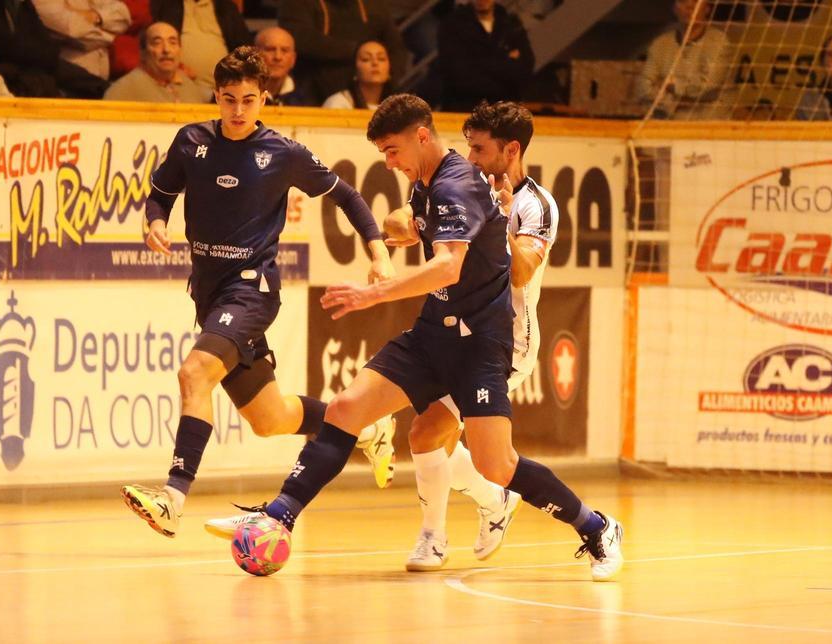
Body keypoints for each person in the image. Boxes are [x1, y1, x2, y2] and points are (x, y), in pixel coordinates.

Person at [212, 94, 625, 582]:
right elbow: (409, 225)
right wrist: (404, 226)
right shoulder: (429, 184)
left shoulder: (457, 184)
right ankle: (279, 515)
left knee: (498, 464)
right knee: (346, 409)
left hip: (480, 344)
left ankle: (597, 527)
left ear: (421, 137)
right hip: (434, 334)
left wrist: (373, 294)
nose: (389, 162)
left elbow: (449, 267)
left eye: (392, 150)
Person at [120, 46, 397, 539]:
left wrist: (378, 253)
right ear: (216, 96)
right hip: (209, 295)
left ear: (264, 99)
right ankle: (367, 429)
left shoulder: (283, 153)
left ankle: (172, 499)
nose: (238, 110)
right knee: (270, 418)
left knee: (194, 373)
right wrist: (155, 222)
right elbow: (160, 195)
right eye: (229, 99)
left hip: (252, 291)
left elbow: (348, 196)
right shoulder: (191, 141)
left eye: (249, 100)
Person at [374, 100, 560, 571]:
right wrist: (408, 223)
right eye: (468, 147)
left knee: (434, 434)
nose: (470, 157)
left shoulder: (535, 204)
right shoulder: (459, 183)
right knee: (426, 435)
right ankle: (488, 505)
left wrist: (496, 218)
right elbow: (403, 223)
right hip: (458, 331)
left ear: (511, 150)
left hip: (505, 339)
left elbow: (522, 272)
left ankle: (446, 530)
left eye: (479, 149)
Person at [279, 0, 408, 102]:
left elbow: (396, 48)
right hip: (312, 92)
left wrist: (390, 80)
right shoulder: (298, 3)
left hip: (370, 96)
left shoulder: (374, 5)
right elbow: (301, 39)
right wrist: (356, 50)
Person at [636, 0, 732, 119]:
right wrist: (674, 102)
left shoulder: (718, 42)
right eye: (683, 1)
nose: (689, 6)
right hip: (668, 124)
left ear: (707, 8)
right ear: (674, 8)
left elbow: (706, 86)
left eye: (695, 1)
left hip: (707, 125)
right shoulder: (660, 44)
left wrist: (671, 84)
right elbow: (643, 87)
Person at [437, 0, 533, 112]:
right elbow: (458, 74)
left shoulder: (511, 23)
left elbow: (525, 68)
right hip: (465, 108)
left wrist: (480, 63)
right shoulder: (452, 25)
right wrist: (505, 60)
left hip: (505, 110)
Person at [149, 0, 251, 87]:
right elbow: (155, 44)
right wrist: (177, 68)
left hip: (223, 90)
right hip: (180, 87)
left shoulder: (227, 8)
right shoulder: (166, 6)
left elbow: (245, 51)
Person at [104, 22, 212, 102]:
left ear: (180, 50)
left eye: (172, 42)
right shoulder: (122, 91)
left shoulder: (191, 88)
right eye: (157, 43)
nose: (166, 50)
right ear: (143, 52)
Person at [30, 0, 131, 81]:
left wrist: (97, 16)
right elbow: (72, 31)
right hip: (68, 82)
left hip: (100, 80)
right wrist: (109, 31)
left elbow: (123, 15)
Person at [321, 39, 393, 110]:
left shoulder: (395, 106)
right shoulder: (338, 103)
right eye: (366, 59)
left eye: (381, 59)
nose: (375, 63)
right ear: (355, 69)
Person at [256, 26, 314, 106]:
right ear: (256, 55)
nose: (278, 57)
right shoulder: (242, 93)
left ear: (293, 59)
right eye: (270, 49)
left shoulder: (308, 98)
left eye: (284, 50)